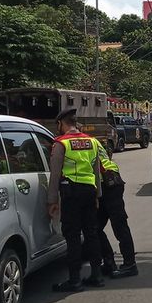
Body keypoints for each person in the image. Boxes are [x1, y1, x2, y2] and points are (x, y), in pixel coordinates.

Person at [48, 108, 104, 292]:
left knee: (72, 236)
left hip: (71, 194)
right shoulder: (92, 141)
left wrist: (52, 201)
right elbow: (96, 171)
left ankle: (74, 280)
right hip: (89, 192)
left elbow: (55, 175)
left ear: (61, 124)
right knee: (91, 233)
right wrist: (97, 196)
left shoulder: (61, 144)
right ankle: (96, 275)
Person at [95, 143, 139, 278]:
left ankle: (130, 265)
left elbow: (96, 167)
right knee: (95, 227)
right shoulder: (92, 141)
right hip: (109, 180)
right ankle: (109, 261)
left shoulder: (81, 144)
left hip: (109, 183)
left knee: (119, 225)